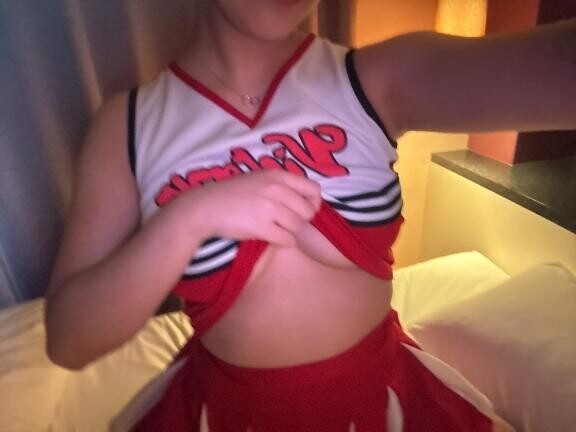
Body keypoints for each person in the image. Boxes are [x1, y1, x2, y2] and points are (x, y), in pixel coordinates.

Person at [44, 0, 575, 431]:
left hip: (385, 404)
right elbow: (69, 341)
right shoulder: (128, 127)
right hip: (223, 413)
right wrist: (188, 219)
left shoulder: (376, 78)